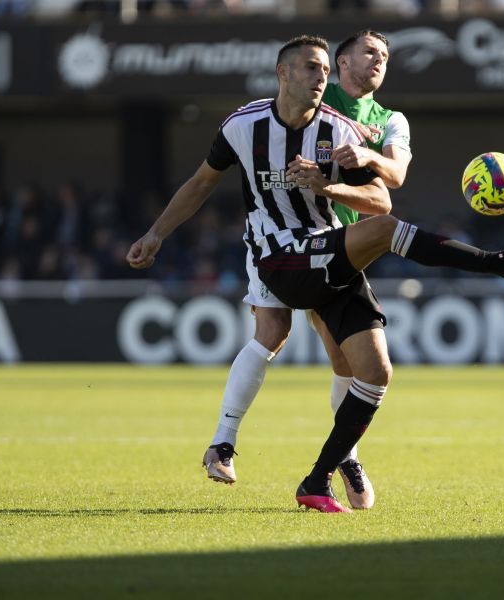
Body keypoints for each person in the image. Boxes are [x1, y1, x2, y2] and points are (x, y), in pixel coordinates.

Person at [127, 35, 504, 513]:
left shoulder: (340, 131)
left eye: (324, 70)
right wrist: (157, 234)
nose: (319, 77)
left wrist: (328, 182)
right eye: (310, 68)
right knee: (275, 331)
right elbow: (202, 182)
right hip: (277, 256)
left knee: (373, 372)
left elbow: (382, 200)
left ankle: (318, 478)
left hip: (328, 251)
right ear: (282, 73)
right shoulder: (243, 126)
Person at [200, 29, 412, 512]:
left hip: (355, 240)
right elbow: (279, 110)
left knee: (346, 361)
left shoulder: (389, 119)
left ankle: (345, 456)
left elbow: (395, 177)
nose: (379, 61)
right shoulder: (318, 93)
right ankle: (232, 443)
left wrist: (367, 155)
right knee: (278, 332)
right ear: (341, 62)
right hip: (296, 241)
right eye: (369, 52)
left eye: (385, 56)